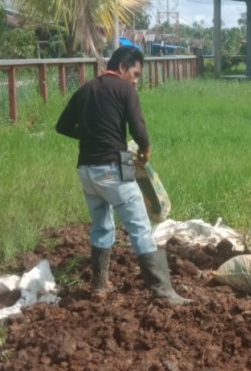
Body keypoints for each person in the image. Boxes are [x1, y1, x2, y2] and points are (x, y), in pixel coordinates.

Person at [56, 46, 188, 305]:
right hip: (114, 165)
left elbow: (62, 126)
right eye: (135, 74)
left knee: (102, 226)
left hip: (86, 169)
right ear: (122, 68)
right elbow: (138, 126)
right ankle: (163, 292)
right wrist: (146, 149)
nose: (136, 80)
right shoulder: (125, 90)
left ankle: (99, 286)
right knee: (140, 226)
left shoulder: (85, 89)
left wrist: (92, 135)